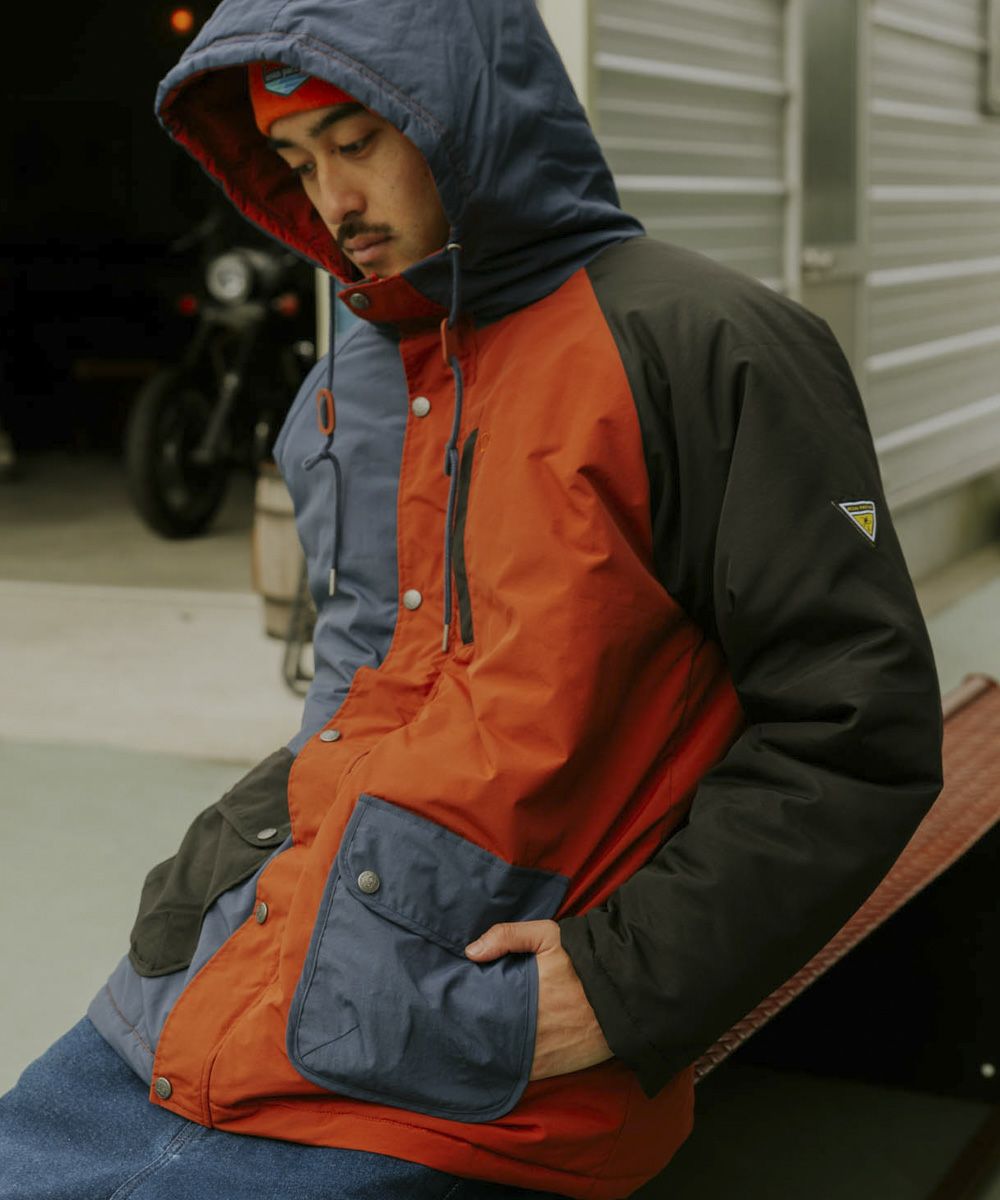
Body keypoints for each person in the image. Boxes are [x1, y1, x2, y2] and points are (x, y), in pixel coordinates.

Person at [0, 2, 943, 1198]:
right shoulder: (352, 374)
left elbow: (853, 725)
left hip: (470, 1064)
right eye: (296, 163)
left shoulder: (705, 341)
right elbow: (357, 695)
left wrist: (623, 983)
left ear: (462, 115)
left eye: (356, 143)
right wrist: (215, 881)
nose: (332, 200)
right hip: (211, 999)